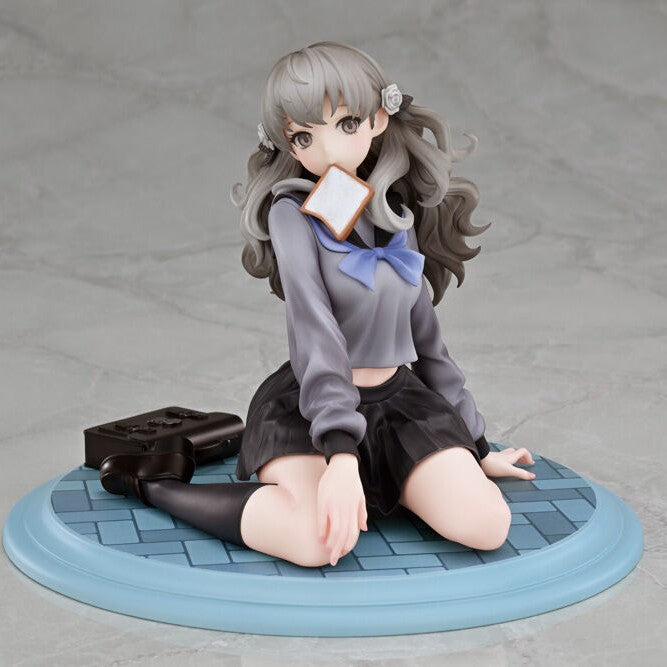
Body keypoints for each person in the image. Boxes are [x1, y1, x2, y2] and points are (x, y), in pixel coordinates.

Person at [100, 41, 535, 569]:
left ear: (377, 120)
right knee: (318, 542)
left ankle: (392, 479)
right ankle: (157, 487)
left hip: (400, 407)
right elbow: (315, 329)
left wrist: (477, 444)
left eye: (345, 124)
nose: (326, 150)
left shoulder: (395, 212)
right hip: (314, 406)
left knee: (487, 524)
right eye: (304, 136)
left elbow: (426, 336)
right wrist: (341, 453)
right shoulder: (292, 215)